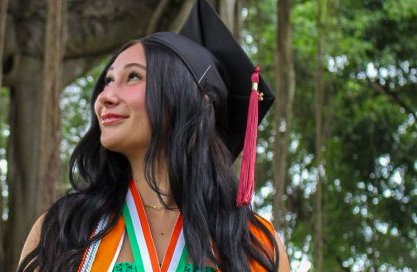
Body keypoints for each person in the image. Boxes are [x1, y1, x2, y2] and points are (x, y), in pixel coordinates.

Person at [19, 1, 290, 271]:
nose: (105, 97)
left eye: (133, 77)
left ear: (189, 99)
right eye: (108, 81)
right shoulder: (66, 230)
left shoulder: (254, 245)